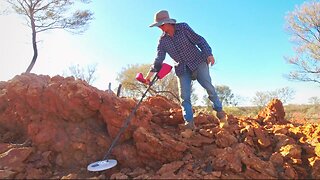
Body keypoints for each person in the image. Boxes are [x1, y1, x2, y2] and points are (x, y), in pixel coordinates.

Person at [144, 10, 229, 134]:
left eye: (161, 25)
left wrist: (209, 54)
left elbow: (199, 40)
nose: (160, 28)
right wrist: (150, 74)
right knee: (184, 97)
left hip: (198, 62)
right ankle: (189, 126)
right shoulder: (162, 41)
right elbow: (159, 58)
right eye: (158, 26)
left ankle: (221, 115)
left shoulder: (183, 28)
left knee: (209, 87)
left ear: (168, 22)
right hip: (182, 68)